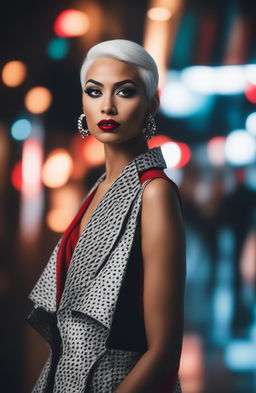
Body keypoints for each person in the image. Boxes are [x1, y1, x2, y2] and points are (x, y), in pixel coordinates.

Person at [26, 39, 186, 393]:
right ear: (83, 101)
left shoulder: (154, 192)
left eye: (125, 92)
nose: (107, 106)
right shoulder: (98, 189)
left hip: (119, 382)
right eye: (94, 92)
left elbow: (165, 349)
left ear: (151, 104)